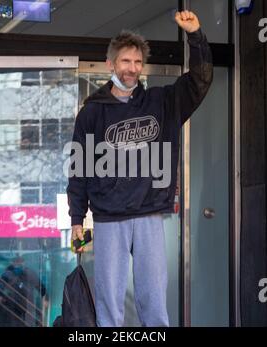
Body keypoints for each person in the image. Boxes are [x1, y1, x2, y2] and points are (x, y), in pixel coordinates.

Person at [67, 11, 213, 327]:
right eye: (125, 62)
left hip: (148, 215)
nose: (132, 68)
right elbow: (78, 169)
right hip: (108, 220)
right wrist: (77, 219)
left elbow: (200, 80)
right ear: (111, 65)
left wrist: (196, 35)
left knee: (155, 307)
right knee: (109, 309)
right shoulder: (92, 112)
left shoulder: (162, 103)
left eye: (137, 62)